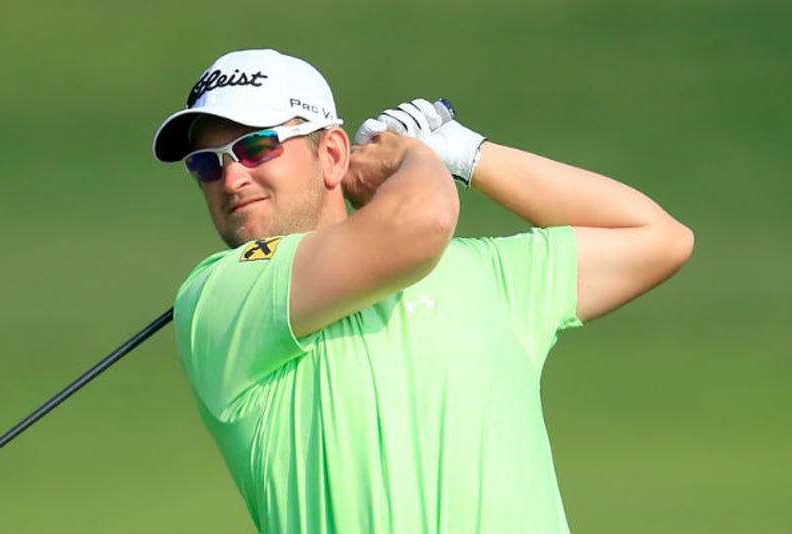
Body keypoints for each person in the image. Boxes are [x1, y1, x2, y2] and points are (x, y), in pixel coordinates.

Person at [152, 48, 693, 534]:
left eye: (256, 147)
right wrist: (412, 159)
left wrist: (467, 153)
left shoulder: (486, 274)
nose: (231, 179)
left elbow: (658, 239)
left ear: (333, 155)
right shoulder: (219, 296)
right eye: (206, 164)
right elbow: (423, 221)